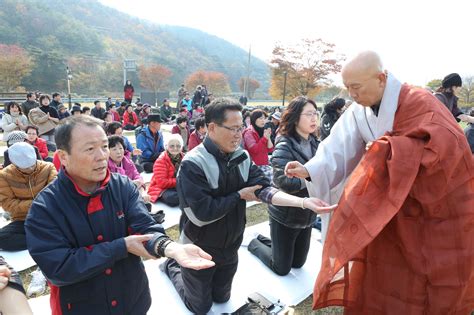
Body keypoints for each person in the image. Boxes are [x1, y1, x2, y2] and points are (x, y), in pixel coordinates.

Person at [285, 51, 474, 313]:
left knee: (422, 274)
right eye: (348, 87)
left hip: (424, 211)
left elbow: (450, 152)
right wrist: (308, 169)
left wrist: (388, 152)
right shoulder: (359, 111)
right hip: (385, 207)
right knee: (381, 270)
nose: (351, 94)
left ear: (381, 78)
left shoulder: (423, 104)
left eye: (357, 87)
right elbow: (338, 146)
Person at [24, 115, 215, 315]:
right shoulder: (45, 207)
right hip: (81, 306)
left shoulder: (122, 186)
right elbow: (59, 268)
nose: (101, 156)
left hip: (131, 298)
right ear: (63, 156)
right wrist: (121, 247)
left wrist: (169, 247)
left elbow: (145, 226)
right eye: (90, 149)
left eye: (104, 146)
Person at [160, 98, 334, 315]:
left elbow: (264, 190)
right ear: (211, 128)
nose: (238, 134)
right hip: (199, 246)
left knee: (222, 297)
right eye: (232, 128)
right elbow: (200, 215)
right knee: (200, 307)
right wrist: (239, 195)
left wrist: (303, 202)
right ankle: (173, 265)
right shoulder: (192, 164)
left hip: (230, 245)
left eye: (240, 128)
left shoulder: (241, 157)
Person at [247, 96, 321, 276]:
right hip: (285, 215)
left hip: (307, 215)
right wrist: (313, 175)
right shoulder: (284, 145)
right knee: (281, 268)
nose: (314, 118)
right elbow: (284, 182)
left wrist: (312, 175)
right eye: (308, 114)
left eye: (316, 113)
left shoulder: (316, 143)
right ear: (295, 118)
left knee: (298, 264)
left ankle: (272, 244)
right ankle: (253, 243)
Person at [0, 142, 57, 251]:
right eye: (25, 167)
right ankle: (47, 238)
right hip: (24, 219)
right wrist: (37, 204)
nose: (30, 169)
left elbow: (54, 194)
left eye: (32, 164)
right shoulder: (4, 176)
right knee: (3, 238)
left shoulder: (48, 167)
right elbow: (8, 204)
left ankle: (43, 237)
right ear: (14, 164)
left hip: (50, 216)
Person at [108, 135, 150, 203]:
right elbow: (113, 188)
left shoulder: (128, 162)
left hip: (131, 192)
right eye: (114, 149)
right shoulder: (105, 167)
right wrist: (131, 184)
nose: (118, 152)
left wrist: (141, 188)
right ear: (107, 152)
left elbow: (137, 176)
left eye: (120, 148)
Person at [148, 134, 184, 207]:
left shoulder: (185, 157)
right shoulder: (161, 160)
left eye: (178, 146)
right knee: (173, 198)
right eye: (172, 146)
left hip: (178, 185)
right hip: (162, 188)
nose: (175, 148)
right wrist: (180, 180)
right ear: (166, 147)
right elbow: (162, 183)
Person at [242, 109, 274, 180]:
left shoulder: (262, 130)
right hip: (255, 167)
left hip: (264, 164)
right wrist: (264, 138)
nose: (263, 120)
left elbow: (270, 149)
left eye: (264, 118)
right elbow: (254, 149)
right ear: (254, 119)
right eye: (260, 118)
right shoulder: (249, 132)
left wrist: (268, 138)